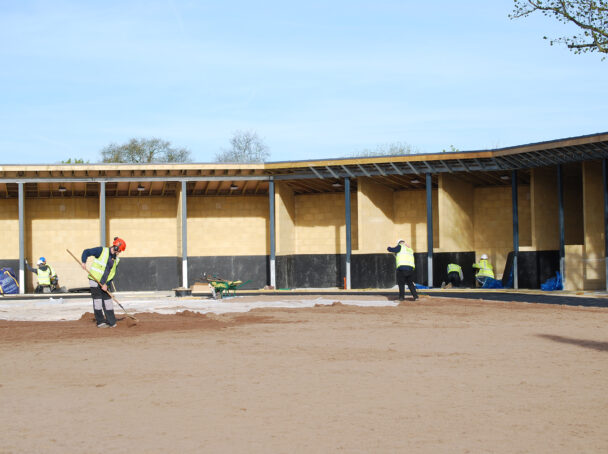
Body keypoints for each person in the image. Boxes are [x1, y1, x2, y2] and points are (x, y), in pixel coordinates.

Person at [80, 237, 126, 328]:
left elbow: (111, 275)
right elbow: (86, 252)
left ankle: (111, 321)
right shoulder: (101, 251)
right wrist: (83, 262)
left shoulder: (116, 260)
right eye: (119, 250)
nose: (119, 253)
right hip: (94, 280)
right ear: (116, 247)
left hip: (104, 283)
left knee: (108, 301)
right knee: (98, 301)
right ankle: (100, 322)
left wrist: (106, 284)